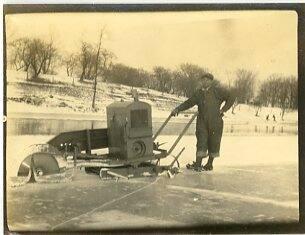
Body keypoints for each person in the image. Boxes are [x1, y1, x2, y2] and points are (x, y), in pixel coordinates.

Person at [171, 73, 235, 171]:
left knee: (214, 142)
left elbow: (231, 97)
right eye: (203, 80)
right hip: (202, 122)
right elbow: (189, 103)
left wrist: (223, 109)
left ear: (211, 81)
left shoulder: (217, 91)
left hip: (215, 121)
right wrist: (177, 109)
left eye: (207, 80)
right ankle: (198, 164)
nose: (204, 82)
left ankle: (209, 164)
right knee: (201, 141)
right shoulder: (199, 93)